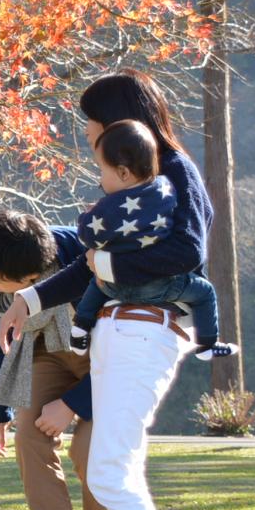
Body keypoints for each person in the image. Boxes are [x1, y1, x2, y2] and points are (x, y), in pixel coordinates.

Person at [0, 70, 220, 510]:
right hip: (123, 332)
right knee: (120, 471)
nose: (89, 134)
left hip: (145, 332)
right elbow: (92, 260)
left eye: (92, 123)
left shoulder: (173, 174)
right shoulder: (137, 183)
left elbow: (189, 252)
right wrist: (28, 297)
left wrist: (110, 272)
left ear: (122, 120)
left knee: (106, 472)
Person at [0, 210, 129, 510]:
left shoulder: (89, 259)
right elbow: (1, 337)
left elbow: (125, 350)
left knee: (89, 451)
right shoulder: (0, 267)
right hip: (48, 354)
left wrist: (72, 404)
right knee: (30, 438)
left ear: (31, 278)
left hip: (106, 360)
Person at [66, 119, 224, 356]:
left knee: (95, 282)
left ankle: (80, 330)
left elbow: (88, 237)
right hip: (160, 287)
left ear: (122, 172)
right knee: (205, 292)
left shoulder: (108, 208)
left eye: (101, 170)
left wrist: (87, 217)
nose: (100, 179)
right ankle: (207, 344)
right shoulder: (166, 189)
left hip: (113, 286)